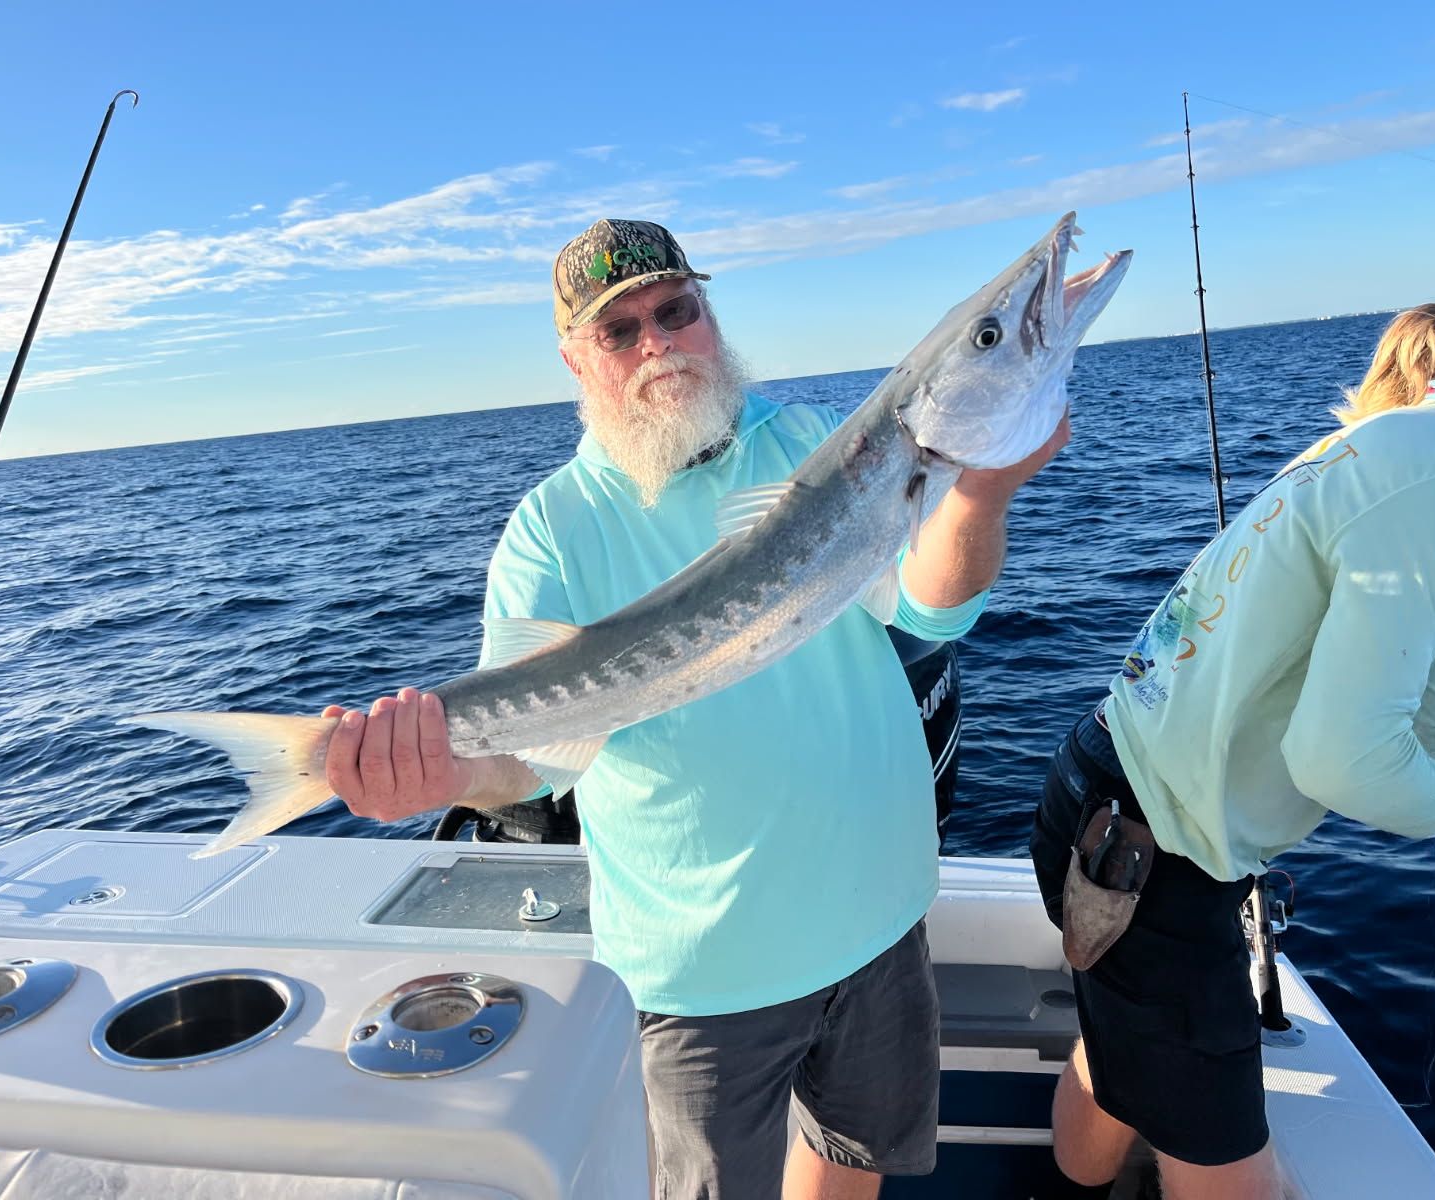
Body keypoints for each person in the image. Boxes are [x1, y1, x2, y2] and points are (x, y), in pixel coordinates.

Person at [318, 218, 1068, 1200]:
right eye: (620, 331)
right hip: (702, 977)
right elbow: (533, 763)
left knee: (853, 1171)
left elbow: (935, 606)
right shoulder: (552, 531)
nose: (659, 344)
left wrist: (977, 500)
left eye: (678, 311)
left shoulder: (815, 446)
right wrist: (438, 770)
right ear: (574, 359)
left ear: (710, 314)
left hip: (880, 920)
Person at [1031, 277, 1435, 1199]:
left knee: (1120, 1055)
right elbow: (1344, 760)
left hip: (1109, 805)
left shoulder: (1407, 441)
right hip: (1149, 857)